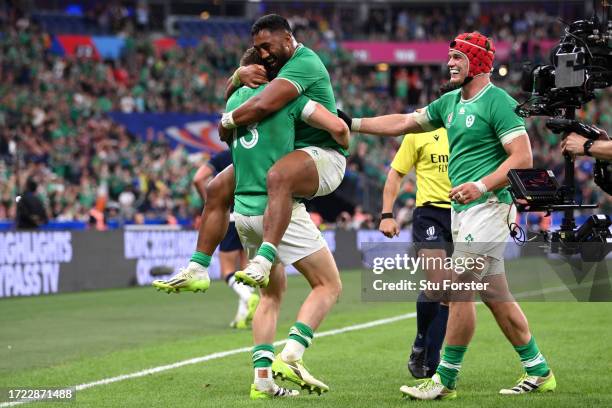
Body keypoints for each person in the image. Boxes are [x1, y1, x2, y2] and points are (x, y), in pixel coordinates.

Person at [342, 32, 555, 399]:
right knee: (496, 295)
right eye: (450, 57)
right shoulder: (449, 103)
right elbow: (404, 123)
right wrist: (353, 123)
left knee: (457, 289)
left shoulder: (498, 103)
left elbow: (522, 158)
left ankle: (444, 379)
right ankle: (539, 370)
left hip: (490, 207)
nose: (450, 64)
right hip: (463, 212)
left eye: (457, 57)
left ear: (477, 62)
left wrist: (482, 185)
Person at [155, 14, 347, 296]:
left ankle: (265, 258)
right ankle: (198, 267)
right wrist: (236, 76)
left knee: (278, 176)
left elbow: (263, 105)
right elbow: (237, 98)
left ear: (287, 37)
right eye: (259, 51)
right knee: (217, 187)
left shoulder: (303, 65)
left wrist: (227, 121)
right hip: (288, 150)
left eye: (268, 47)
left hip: (321, 155)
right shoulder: (272, 70)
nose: (265, 54)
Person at [222, 49, 349, 399]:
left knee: (271, 296)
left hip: (244, 212)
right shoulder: (291, 98)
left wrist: (235, 78)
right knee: (328, 285)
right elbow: (337, 126)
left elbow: (225, 127)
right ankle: (292, 354)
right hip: (277, 210)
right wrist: (343, 137)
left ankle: (262, 382)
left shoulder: (235, 100)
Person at [380, 119, 452, 379]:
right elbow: (396, 173)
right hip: (430, 213)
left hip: (464, 212)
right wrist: (387, 213)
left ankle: (433, 361)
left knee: (450, 292)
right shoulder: (420, 129)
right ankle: (421, 341)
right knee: (438, 282)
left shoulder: (473, 126)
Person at [187, 150, 260, 329]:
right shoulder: (252, 152)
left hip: (230, 217)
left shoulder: (222, 157)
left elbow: (198, 179)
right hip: (252, 215)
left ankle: (248, 297)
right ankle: (242, 317)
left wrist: (211, 203)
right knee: (246, 269)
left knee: (226, 270)